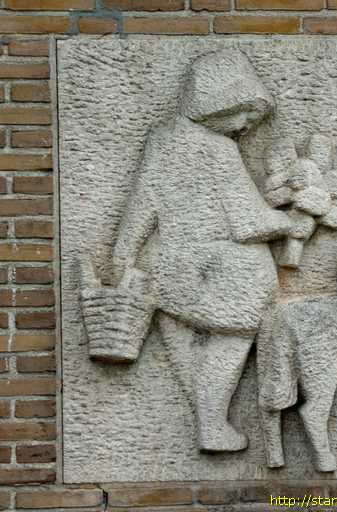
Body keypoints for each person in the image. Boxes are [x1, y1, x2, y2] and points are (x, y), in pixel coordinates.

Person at [112, 49, 290, 452]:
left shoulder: (162, 139)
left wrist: (123, 255)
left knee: (186, 339)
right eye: (244, 114)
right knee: (236, 334)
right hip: (222, 273)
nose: (245, 126)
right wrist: (289, 222)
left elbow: (142, 205)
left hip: (167, 269)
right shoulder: (218, 148)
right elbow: (248, 223)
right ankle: (211, 424)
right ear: (220, 102)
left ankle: (206, 419)